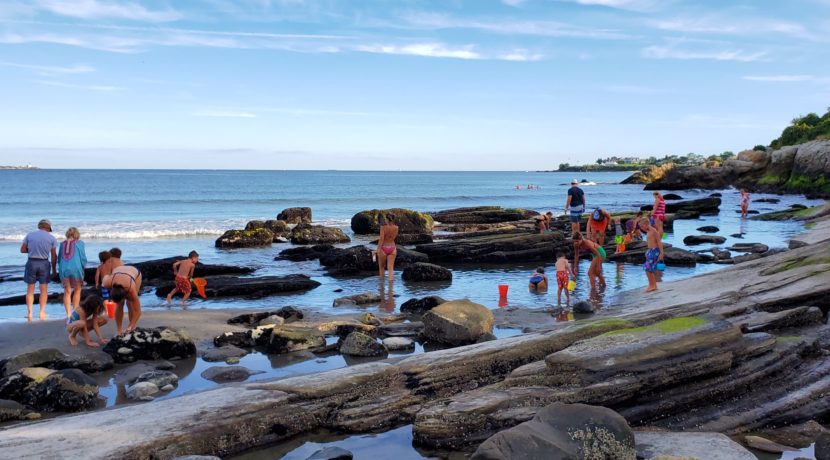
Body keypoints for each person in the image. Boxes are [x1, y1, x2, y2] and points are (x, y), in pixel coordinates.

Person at [20, 219, 58, 321]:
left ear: (39, 226)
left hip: (31, 262)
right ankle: (42, 312)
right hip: (44, 263)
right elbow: (54, 256)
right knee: (43, 290)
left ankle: (30, 313)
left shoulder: (30, 235)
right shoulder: (52, 238)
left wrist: (31, 250)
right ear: (48, 228)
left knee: (30, 290)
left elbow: (22, 249)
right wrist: (54, 270)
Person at [102, 265, 142, 334]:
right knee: (119, 304)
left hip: (134, 274)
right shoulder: (107, 282)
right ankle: (119, 330)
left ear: (124, 296)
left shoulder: (130, 288)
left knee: (130, 303)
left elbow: (138, 311)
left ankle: (132, 327)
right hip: (118, 271)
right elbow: (104, 281)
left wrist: (130, 326)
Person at [57, 227, 87, 318]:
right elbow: (83, 258)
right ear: (77, 235)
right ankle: (74, 311)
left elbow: (59, 258)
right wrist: (83, 266)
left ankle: (68, 314)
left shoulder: (62, 244)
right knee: (77, 290)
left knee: (67, 291)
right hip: (76, 269)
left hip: (64, 268)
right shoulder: (80, 243)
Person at [640, 219, 664, 292]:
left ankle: (652, 285)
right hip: (650, 251)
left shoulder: (654, 231)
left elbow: (659, 242)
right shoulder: (648, 231)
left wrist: (662, 253)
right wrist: (647, 251)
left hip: (655, 251)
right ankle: (653, 285)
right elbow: (649, 242)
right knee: (648, 269)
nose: (641, 228)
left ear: (646, 224)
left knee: (648, 268)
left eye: (641, 226)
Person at [377, 213, 399, 281]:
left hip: (383, 248)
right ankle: (391, 288)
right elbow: (393, 238)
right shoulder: (396, 227)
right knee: (390, 268)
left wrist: (378, 249)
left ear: (387, 219)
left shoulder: (383, 227)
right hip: (393, 248)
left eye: (385, 219)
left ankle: (382, 285)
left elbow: (381, 239)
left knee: (381, 267)